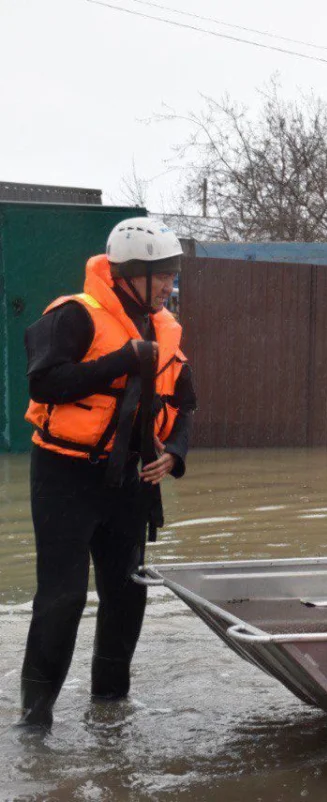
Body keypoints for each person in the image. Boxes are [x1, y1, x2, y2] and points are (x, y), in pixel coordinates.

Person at [16, 217, 197, 730]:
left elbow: (186, 402)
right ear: (129, 275)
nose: (169, 284)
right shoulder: (76, 315)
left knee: (126, 592)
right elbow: (44, 385)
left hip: (129, 481)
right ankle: (34, 722)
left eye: (171, 274)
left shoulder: (165, 327)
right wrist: (121, 360)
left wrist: (176, 452)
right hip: (64, 475)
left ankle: (110, 712)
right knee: (64, 596)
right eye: (160, 275)